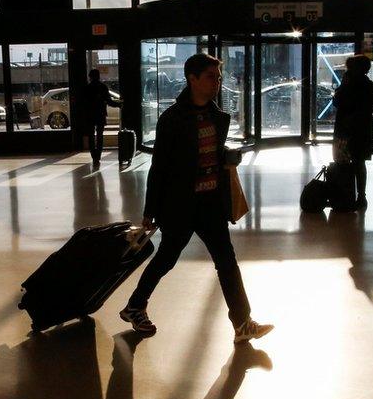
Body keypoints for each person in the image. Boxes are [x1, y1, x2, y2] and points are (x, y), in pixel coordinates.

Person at [120, 53, 273, 344]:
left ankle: (242, 322)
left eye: (218, 77)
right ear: (193, 79)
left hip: (210, 203)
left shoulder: (216, 116)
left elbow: (209, 153)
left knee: (226, 261)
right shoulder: (172, 120)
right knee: (166, 258)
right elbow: (160, 167)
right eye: (211, 77)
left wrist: (225, 157)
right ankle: (135, 306)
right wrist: (150, 210)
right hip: (181, 205)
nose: (217, 82)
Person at [332, 54, 373, 210]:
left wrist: (342, 86)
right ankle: (361, 196)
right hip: (363, 129)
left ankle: (344, 195)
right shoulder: (372, 86)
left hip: (345, 129)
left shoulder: (347, 86)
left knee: (342, 162)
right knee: (360, 163)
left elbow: (336, 103)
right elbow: (370, 109)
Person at [85, 69, 122, 164]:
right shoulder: (103, 87)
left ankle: (94, 156)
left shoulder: (87, 88)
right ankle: (98, 155)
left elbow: (83, 103)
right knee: (100, 135)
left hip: (89, 115)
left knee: (91, 136)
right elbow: (109, 101)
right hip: (100, 114)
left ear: (90, 77)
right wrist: (119, 105)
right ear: (98, 76)